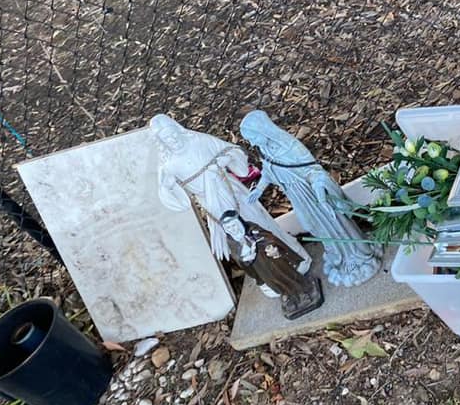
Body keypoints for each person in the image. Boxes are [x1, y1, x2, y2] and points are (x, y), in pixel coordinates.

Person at [149, 114, 310, 269]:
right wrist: (166, 186)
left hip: (232, 192)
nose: (174, 140)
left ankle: (294, 256)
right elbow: (171, 196)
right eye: (167, 139)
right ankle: (270, 272)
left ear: (178, 130)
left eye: (173, 134)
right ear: (162, 143)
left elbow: (232, 150)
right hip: (214, 207)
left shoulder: (199, 141)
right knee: (239, 239)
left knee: (261, 224)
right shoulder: (169, 166)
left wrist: (224, 161)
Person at [240, 110, 381, 287]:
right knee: (315, 226)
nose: (252, 143)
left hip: (313, 194)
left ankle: (354, 254)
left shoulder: (291, 147)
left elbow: (314, 172)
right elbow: (269, 172)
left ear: (262, 131)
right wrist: (259, 190)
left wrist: (321, 196)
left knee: (333, 221)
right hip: (298, 198)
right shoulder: (265, 150)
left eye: (252, 137)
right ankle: (338, 254)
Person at [220, 211, 323, 320]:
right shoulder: (232, 242)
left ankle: (304, 290)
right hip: (261, 269)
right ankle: (289, 295)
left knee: (287, 274)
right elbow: (237, 257)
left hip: (274, 261)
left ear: (240, 222)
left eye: (234, 225)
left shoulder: (252, 229)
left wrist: (270, 247)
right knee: (275, 282)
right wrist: (245, 258)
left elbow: (268, 237)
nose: (234, 229)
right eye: (229, 228)